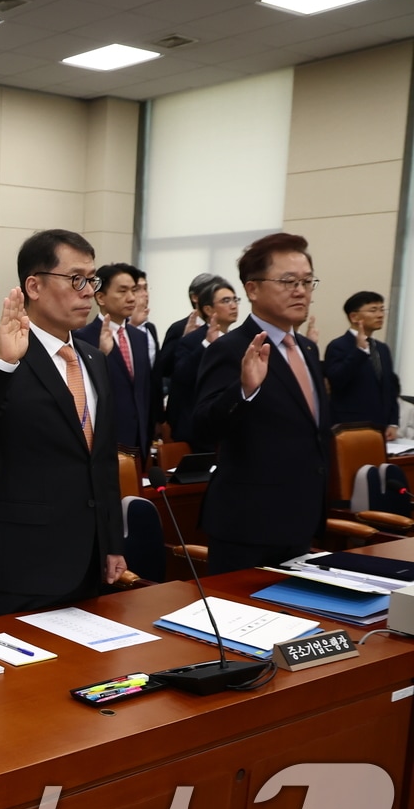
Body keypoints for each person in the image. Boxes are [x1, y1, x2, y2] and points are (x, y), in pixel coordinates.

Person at [0, 229, 125, 616]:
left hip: (89, 558)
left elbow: (102, 461)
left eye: (92, 280)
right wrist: (4, 364)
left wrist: (111, 544)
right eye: (76, 279)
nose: (88, 292)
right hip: (25, 561)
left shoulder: (93, 359)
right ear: (34, 286)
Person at [193, 233, 328, 575]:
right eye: (288, 281)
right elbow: (200, 427)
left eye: (306, 281)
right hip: (248, 527)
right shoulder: (231, 349)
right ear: (252, 289)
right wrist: (243, 390)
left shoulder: (308, 350)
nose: (300, 291)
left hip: (301, 520)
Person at [73, 263, 153, 455]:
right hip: (105, 439)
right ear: (100, 297)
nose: (132, 298)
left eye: (134, 290)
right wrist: (101, 355)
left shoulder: (139, 336)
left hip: (138, 441)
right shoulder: (81, 338)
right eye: (122, 291)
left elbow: (145, 391)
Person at [166, 277, 238, 448]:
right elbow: (181, 377)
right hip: (197, 430)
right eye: (226, 301)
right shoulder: (192, 340)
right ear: (208, 309)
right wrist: (206, 345)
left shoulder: (237, 341)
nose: (234, 305)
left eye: (235, 299)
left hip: (229, 429)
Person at [325, 291, 399, 437]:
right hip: (350, 426)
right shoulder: (338, 345)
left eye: (382, 309)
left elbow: (390, 388)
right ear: (354, 316)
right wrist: (359, 351)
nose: (380, 315)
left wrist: (393, 422)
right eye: (373, 310)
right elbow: (337, 381)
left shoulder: (382, 348)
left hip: (381, 427)